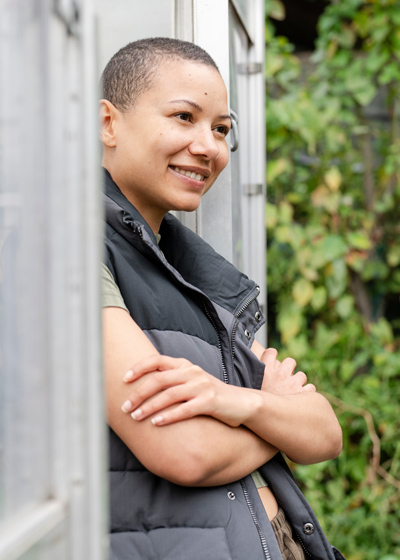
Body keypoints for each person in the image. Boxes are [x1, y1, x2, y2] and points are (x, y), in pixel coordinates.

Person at [100, 37, 344, 560]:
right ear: (108, 124)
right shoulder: (78, 248)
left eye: (221, 129)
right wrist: (277, 415)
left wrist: (240, 402)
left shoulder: (187, 264)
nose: (209, 146)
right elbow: (183, 450)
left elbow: (325, 432)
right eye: (184, 117)